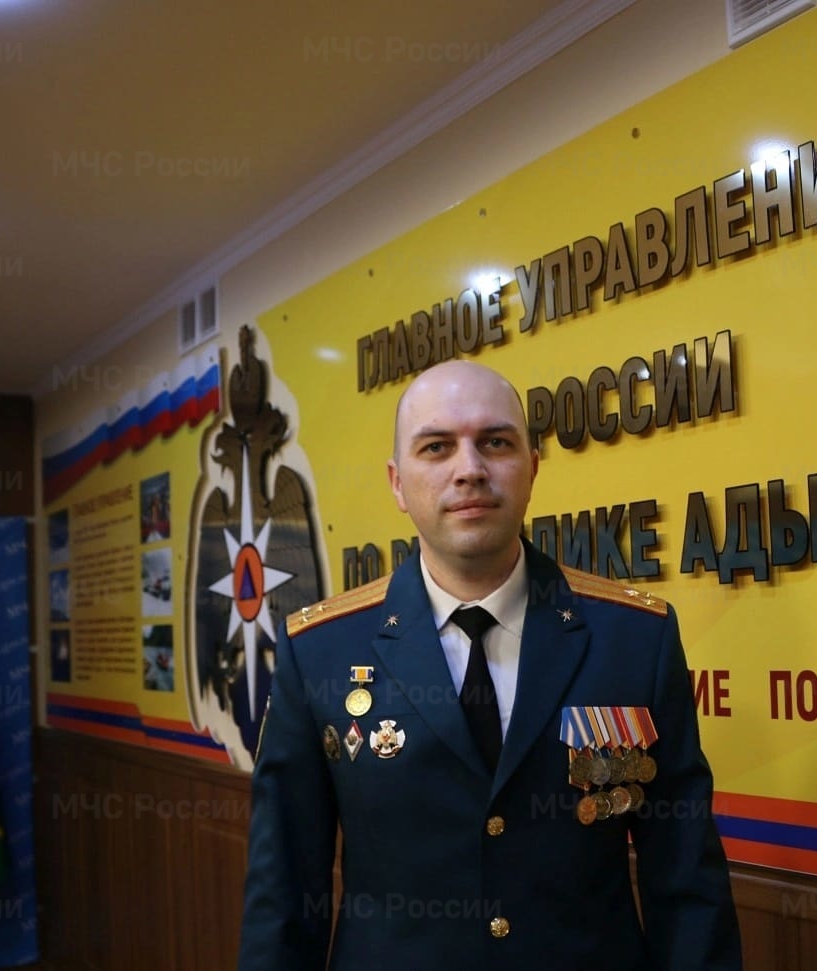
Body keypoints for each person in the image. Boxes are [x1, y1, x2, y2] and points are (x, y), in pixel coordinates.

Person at [238, 360, 742, 969]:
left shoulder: (634, 638)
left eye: (496, 443)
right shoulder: (319, 649)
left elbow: (685, 880)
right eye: (436, 447)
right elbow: (285, 894)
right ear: (397, 484)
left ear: (532, 468)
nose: (469, 469)